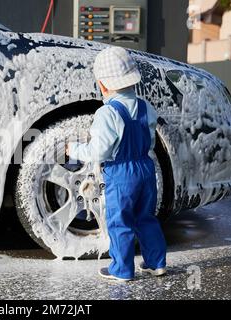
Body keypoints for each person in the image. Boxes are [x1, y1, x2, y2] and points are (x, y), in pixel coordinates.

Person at [66, 47, 167, 282]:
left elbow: (99, 151)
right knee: (146, 217)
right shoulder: (146, 108)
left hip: (122, 173)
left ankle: (121, 270)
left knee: (120, 220)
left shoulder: (107, 113)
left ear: (102, 85)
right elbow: (150, 141)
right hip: (146, 167)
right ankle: (156, 263)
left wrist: (75, 150)